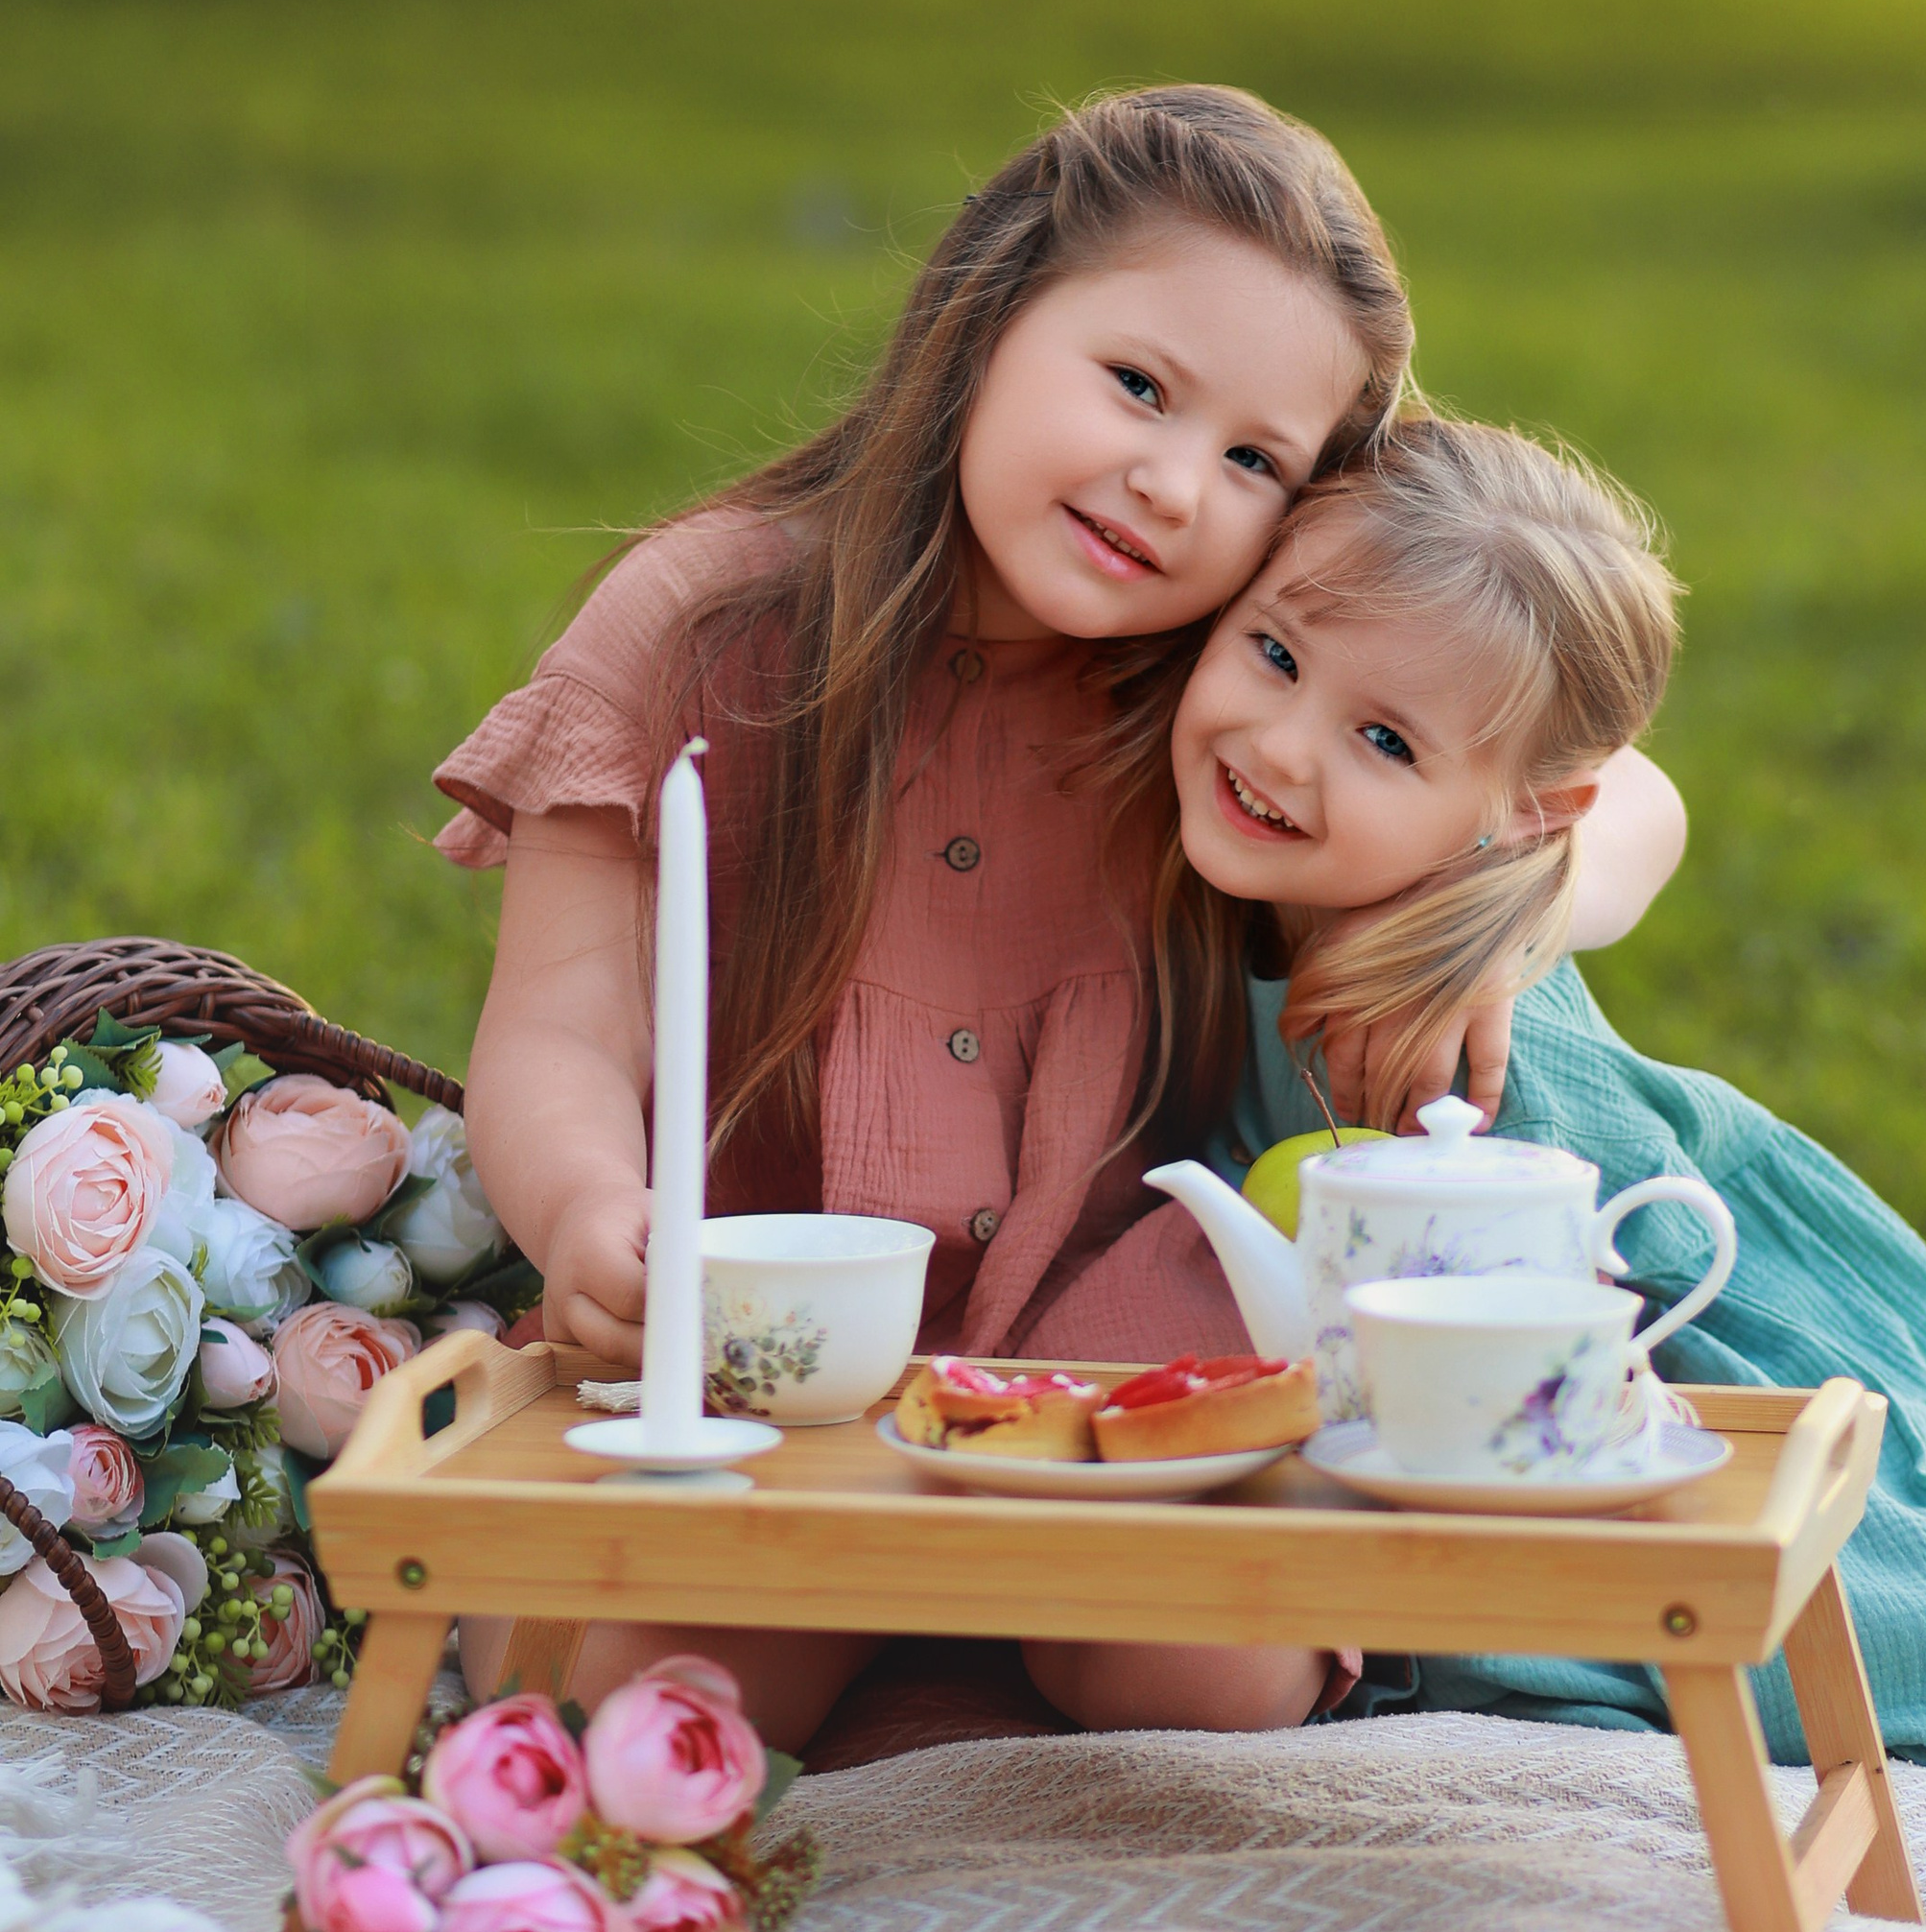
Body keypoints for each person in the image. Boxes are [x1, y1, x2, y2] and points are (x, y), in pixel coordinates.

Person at [432, 88, 1682, 1748]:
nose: (1172, 484)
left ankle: (981, 1642)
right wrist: (589, 1204)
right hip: (763, 1365)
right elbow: (564, 1021)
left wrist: (1508, 914)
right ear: (987, 316)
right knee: (619, 1717)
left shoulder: (1234, 671)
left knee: (1196, 1676)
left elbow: (1627, 794)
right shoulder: (712, 621)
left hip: (1106, 1378)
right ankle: (910, 1647)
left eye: (1253, 460)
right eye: (1139, 387)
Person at [1162, 416, 1926, 1771]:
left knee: (1827, 1623)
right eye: (1276, 655)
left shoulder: (1472, 1033)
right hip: (1428, 1436)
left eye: (1385, 742)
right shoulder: (1216, 871)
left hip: (1718, 1343)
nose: (1284, 747)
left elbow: (1644, 1316)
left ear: (1524, 814)